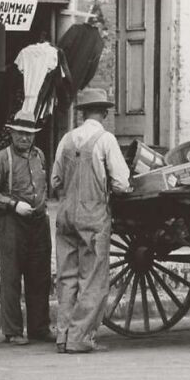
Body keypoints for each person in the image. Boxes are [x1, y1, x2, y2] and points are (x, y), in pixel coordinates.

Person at [51, 88, 131, 354]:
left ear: (83, 113)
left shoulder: (66, 139)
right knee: (93, 279)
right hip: (93, 216)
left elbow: (55, 181)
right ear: (105, 113)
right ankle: (80, 338)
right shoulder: (105, 140)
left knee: (67, 277)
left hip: (64, 215)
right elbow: (121, 183)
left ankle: (62, 337)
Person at [0, 111, 54, 346]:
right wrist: (14, 205)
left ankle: (39, 328)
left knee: (40, 275)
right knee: (12, 277)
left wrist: (41, 207)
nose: (25, 138)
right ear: (12, 133)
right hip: (12, 222)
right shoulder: (3, 158)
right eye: (20, 133)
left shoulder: (40, 156)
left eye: (29, 134)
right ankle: (13, 331)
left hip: (38, 221)